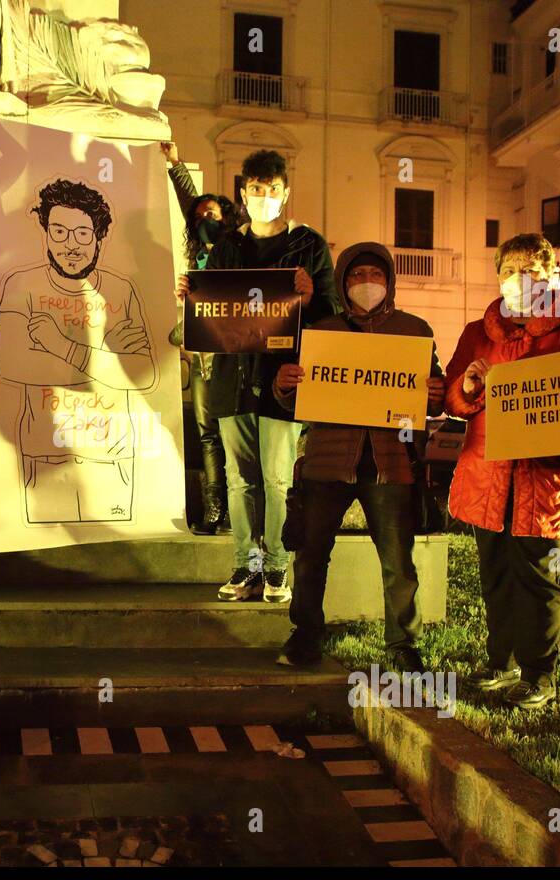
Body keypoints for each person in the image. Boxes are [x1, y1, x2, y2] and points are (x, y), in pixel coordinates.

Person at [272, 243, 444, 671]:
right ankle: (306, 635)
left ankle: (403, 644)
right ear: (343, 282)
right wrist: (284, 384)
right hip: (327, 462)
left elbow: (434, 392)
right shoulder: (322, 333)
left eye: (374, 274)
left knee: (398, 561)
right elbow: (293, 401)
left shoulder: (415, 330)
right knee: (311, 555)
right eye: (355, 275)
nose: (365, 283)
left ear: (389, 282)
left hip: (392, 464)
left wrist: (436, 392)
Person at [178, 149, 340, 603]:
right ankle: (245, 565)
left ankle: (276, 569)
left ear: (285, 193)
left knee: (276, 478)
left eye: (272, 190)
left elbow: (332, 315)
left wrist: (309, 301)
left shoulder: (309, 245)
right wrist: (192, 294)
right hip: (232, 380)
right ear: (243, 193)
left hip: (282, 381)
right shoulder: (229, 245)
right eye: (255, 190)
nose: (263, 198)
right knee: (239, 479)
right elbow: (212, 310)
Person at [443, 233, 560, 710]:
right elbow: (453, 401)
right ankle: (499, 660)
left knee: (541, 580)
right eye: (511, 271)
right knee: (496, 576)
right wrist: (468, 386)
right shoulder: (476, 333)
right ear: (499, 277)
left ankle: (539, 673)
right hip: (488, 478)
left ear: (550, 278)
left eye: (532, 272)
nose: (520, 281)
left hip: (544, 482)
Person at [0, 178, 155, 523]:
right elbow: (11, 363)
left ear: (99, 237)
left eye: (83, 233)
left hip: (111, 453)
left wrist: (58, 345)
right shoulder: (21, 284)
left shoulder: (121, 289)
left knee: (113, 562)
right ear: (46, 233)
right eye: (59, 232)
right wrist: (109, 360)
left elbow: (143, 375)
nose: (71, 245)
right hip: (46, 451)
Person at [161, 141, 235, 535]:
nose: (206, 217)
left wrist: (177, 165)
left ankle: (240, 511)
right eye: (201, 215)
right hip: (204, 359)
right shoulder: (194, 256)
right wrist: (174, 164)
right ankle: (214, 510)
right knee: (207, 433)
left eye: (213, 212)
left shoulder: (235, 249)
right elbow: (191, 203)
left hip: (232, 359)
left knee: (233, 434)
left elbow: (195, 201)